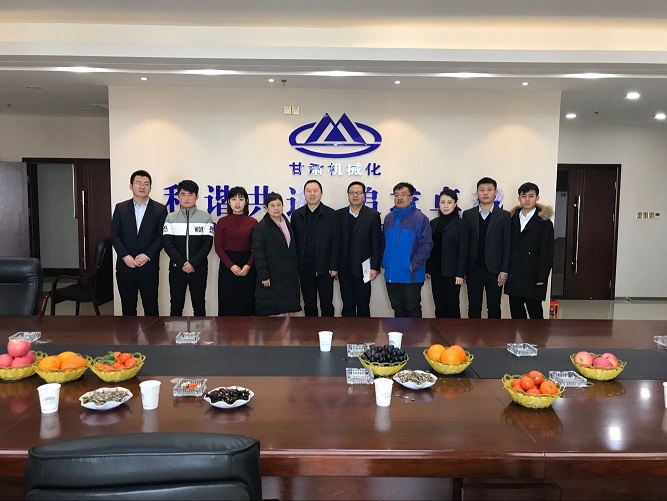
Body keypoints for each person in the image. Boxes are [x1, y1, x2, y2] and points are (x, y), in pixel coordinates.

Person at [110, 169, 167, 316]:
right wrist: (125, 256)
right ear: (131, 186)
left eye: (146, 184)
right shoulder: (121, 208)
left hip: (149, 267)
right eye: (138, 183)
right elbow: (115, 235)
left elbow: (161, 237)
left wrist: (147, 255)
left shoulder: (160, 210)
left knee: (151, 308)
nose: (142, 187)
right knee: (128, 309)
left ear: (150, 187)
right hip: (125, 267)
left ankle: (153, 333)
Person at [163, 180, 214, 316]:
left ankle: (201, 331)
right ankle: (174, 332)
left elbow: (207, 244)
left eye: (190, 194)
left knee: (199, 306)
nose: (186, 198)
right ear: (178, 196)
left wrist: (193, 263)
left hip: (198, 268)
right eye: (183, 194)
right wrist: (182, 263)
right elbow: (167, 244)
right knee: (175, 306)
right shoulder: (171, 218)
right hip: (177, 268)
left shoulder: (205, 217)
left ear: (197, 197)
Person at [462, 177, 511, 319]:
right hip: (473, 269)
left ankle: (494, 334)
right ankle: (473, 333)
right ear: (477, 192)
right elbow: (464, 244)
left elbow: (507, 245)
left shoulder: (504, 216)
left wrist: (504, 271)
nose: (485, 193)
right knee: (474, 306)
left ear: (495, 193)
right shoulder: (468, 215)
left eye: (489, 190)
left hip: (495, 270)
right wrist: (463, 269)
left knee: (494, 306)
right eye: (482, 190)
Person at [504, 182, 555, 319]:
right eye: (524, 196)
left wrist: (542, 276)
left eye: (531, 196)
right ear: (519, 198)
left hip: (534, 275)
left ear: (537, 198)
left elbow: (548, 251)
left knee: (535, 314)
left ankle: (537, 336)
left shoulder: (544, 222)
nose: (527, 199)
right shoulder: (511, 219)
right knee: (516, 314)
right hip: (514, 273)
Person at [382, 182, 433, 318]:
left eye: (403, 195)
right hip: (392, 273)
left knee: (412, 308)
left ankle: (414, 334)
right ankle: (398, 333)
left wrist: (412, 265)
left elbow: (426, 245)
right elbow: (384, 243)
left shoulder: (420, 218)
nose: (399, 198)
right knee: (398, 308)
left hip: (411, 274)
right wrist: (385, 262)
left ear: (411, 197)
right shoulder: (388, 218)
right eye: (396, 195)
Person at [291, 180, 339, 317]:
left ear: (321, 193)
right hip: (304, 268)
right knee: (309, 305)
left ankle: (327, 329)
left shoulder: (331, 214)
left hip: (325, 269)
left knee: (327, 304)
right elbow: (293, 243)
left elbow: (336, 241)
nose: (312, 194)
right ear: (304, 194)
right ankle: (310, 331)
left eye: (315, 190)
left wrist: (334, 265)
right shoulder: (297, 215)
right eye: (308, 191)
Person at [336, 181, 382, 317]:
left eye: (358, 192)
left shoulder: (373, 215)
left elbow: (377, 243)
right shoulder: (339, 215)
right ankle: (347, 331)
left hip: (364, 268)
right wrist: (335, 266)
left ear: (364, 195)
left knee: (363, 306)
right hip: (344, 268)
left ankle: (364, 331)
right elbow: (335, 242)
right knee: (347, 307)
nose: (355, 195)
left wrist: (375, 267)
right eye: (352, 193)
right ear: (348, 195)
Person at [252, 192, 301, 316]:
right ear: (266, 208)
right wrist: (264, 275)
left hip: (288, 273)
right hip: (272, 274)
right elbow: (259, 253)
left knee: (289, 309)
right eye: (272, 205)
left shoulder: (286, 222)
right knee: (274, 312)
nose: (276, 208)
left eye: (279, 205)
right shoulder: (261, 228)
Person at [214, 186, 258, 316]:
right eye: (233, 199)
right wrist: (231, 266)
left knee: (246, 304)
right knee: (228, 304)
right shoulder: (222, 222)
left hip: (247, 265)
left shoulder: (253, 222)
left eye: (241, 199)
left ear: (246, 201)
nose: (237, 203)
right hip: (227, 266)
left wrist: (248, 265)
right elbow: (218, 248)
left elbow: (257, 247)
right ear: (228, 202)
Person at [426, 189, 468, 318]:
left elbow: (463, 250)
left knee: (452, 305)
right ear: (438, 204)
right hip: (436, 271)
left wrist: (460, 273)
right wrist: (428, 269)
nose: (445, 205)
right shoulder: (433, 223)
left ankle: (454, 331)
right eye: (442, 202)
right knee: (439, 305)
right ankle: (439, 331)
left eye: (449, 202)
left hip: (452, 272)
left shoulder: (461, 224)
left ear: (455, 204)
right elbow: (430, 248)